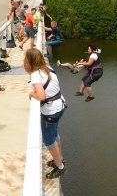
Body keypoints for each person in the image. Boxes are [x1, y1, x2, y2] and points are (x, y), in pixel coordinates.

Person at [24, 48, 67, 179]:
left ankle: (60, 167)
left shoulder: (35, 75)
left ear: (29, 61)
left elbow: (41, 96)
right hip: (61, 105)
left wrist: (31, 93)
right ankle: (59, 158)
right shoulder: (48, 68)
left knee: (49, 140)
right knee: (54, 134)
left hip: (50, 111)